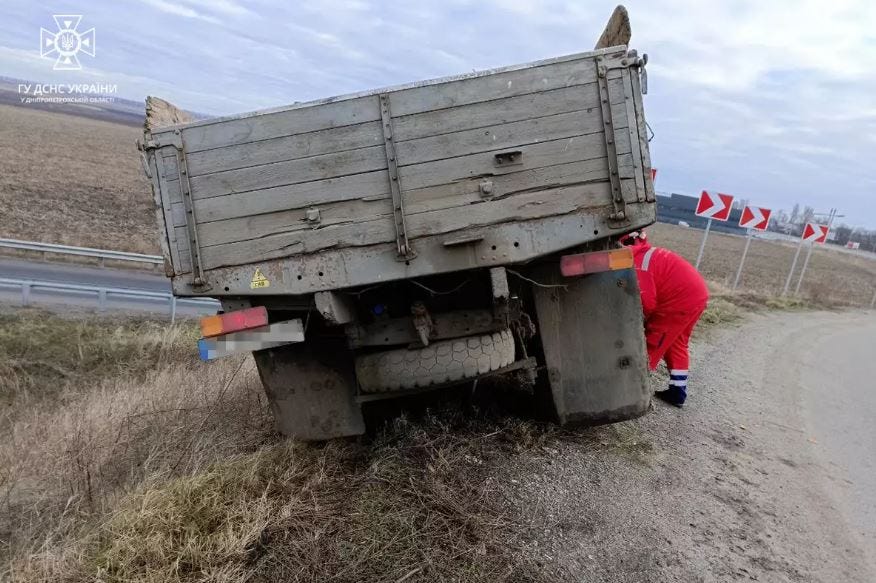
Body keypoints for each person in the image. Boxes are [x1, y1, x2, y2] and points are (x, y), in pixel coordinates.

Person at [620, 231, 709, 407]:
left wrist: (634, 323)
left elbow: (647, 303)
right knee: (677, 343)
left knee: (655, 341)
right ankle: (678, 391)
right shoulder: (645, 254)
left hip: (678, 301)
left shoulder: (635, 263)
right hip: (696, 295)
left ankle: (630, 393)